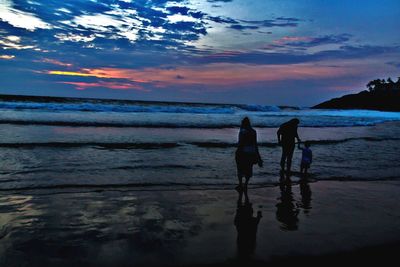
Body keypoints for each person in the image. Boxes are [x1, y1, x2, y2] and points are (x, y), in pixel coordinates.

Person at [235, 117, 263, 189]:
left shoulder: (242, 131)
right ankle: (246, 184)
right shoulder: (253, 131)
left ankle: (240, 184)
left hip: (243, 152)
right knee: (249, 169)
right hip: (252, 152)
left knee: (240, 168)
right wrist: (258, 156)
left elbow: (241, 143)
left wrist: (237, 152)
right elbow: (255, 144)